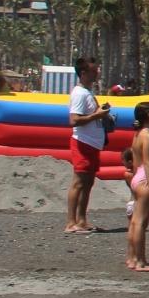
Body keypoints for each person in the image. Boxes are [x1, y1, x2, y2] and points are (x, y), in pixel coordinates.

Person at [65, 56, 113, 233]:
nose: (97, 73)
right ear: (83, 73)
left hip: (92, 144)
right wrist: (96, 116)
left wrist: (102, 113)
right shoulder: (79, 93)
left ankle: (82, 220)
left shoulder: (87, 92)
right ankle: (71, 222)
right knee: (79, 182)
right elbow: (74, 120)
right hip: (83, 143)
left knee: (88, 183)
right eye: (94, 70)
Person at [125, 103, 149, 272]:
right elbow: (147, 163)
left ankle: (133, 258)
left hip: (138, 179)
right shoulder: (147, 136)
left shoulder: (138, 134)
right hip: (145, 181)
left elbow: (136, 162)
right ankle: (140, 262)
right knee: (140, 222)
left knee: (135, 221)